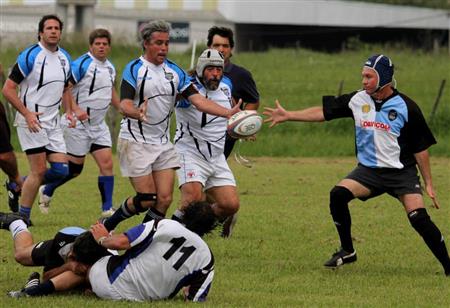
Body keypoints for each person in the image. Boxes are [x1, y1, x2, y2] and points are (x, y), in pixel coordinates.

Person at [263, 54, 450, 276]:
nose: (364, 81)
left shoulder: (407, 107)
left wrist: (428, 182)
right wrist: (289, 115)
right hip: (368, 171)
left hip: (401, 173)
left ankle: (448, 266)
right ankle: (348, 251)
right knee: (338, 195)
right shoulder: (357, 100)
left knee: (418, 217)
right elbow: (323, 112)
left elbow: (421, 149)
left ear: (385, 78)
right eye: (363, 76)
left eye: (369, 77)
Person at [101, 20, 241, 232]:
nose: (164, 48)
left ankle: (145, 237)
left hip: (163, 143)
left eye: (166, 43)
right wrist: (135, 112)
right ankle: (108, 224)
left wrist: (228, 113)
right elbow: (124, 104)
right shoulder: (135, 69)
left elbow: (198, 100)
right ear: (146, 43)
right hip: (135, 141)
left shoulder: (175, 71)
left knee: (164, 200)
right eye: (159, 43)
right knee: (147, 198)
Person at [9, 201, 218, 302]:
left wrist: (101, 237)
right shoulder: (207, 258)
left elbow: (123, 243)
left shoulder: (164, 225)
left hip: (110, 282)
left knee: (82, 266)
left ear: (185, 214)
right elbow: (195, 298)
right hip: (147, 299)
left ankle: (30, 290)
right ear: (208, 229)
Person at [1, 15, 85, 222]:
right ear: (41, 32)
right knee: (38, 171)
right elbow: (8, 89)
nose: (53, 31)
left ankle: (18, 183)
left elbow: (66, 87)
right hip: (31, 121)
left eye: (57, 28)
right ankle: (23, 217)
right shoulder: (30, 55)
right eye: (49, 28)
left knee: (61, 170)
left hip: (53, 122)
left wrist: (70, 111)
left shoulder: (65, 57)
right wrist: (27, 114)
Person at [38, 28, 120, 217]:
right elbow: (65, 87)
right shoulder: (82, 64)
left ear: (109, 47)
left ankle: (107, 208)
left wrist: (124, 108)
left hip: (98, 125)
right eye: (97, 44)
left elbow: (112, 93)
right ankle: (45, 187)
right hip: (77, 124)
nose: (101, 47)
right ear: (90, 46)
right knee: (74, 170)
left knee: (107, 164)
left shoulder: (110, 67)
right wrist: (74, 110)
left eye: (105, 44)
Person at [171, 48, 240, 236]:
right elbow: (172, 99)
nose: (215, 74)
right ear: (201, 69)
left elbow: (231, 110)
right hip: (189, 152)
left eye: (219, 70)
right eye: (211, 69)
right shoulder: (188, 88)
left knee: (230, 205)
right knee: (192, 200)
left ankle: (194, 229)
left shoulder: (227, 85)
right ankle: (168, 235)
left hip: (216, 156)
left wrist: (240, 127)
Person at [207, 26, 260, 235]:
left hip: (223, 138)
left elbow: (253, 101)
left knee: (199, 190)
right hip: (197, 138)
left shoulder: (240, 75)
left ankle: (224, 211)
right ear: (208, 47)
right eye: (216, 45)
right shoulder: (197, 73)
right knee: (201, 192)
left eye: (225, 46)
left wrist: (243, 124)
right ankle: (226, 212)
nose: (221, 49)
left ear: (232, 49)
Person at [0, 211, 112, 297]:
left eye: (73, 257)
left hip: (89, 258)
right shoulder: (63, 239)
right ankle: (17, 223)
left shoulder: (104, 257)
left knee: (80, 275)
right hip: (61, 244)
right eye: (71, 252)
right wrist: (68, 266)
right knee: (20, 255)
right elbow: (46, 277)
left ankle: (31, 292)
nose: (69, 255)